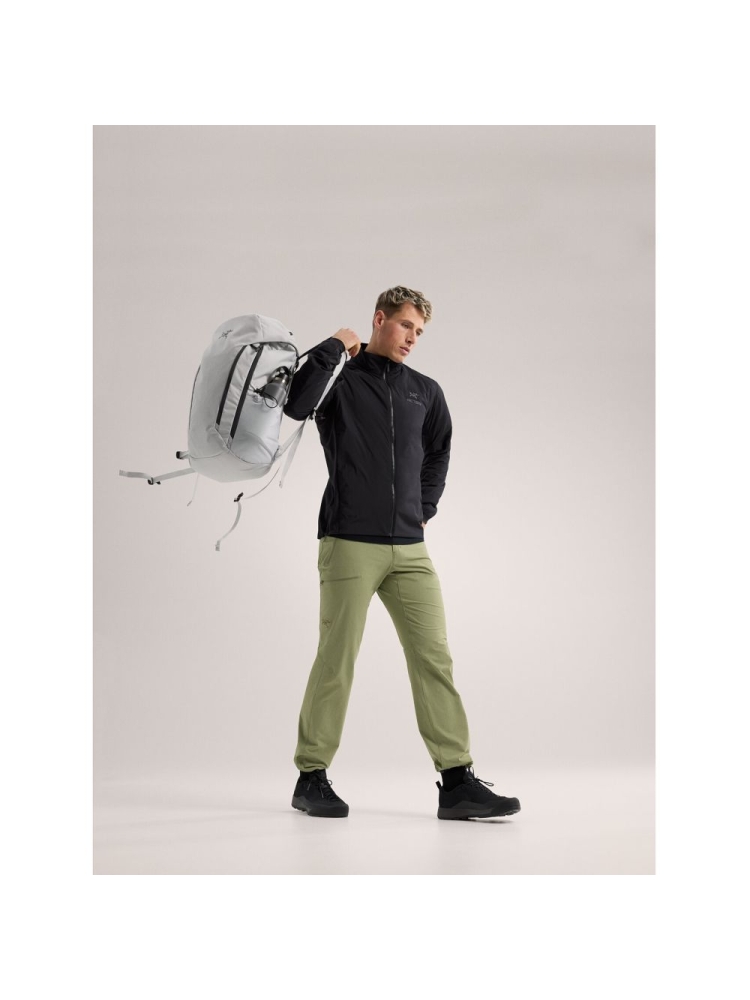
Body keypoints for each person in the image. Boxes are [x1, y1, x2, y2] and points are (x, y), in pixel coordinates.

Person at [283, 286, 520, 821]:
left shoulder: (425, 391)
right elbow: (296, 404)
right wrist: (334, 346)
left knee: (434, 657)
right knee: (337, 660)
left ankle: (456, 782)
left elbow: (439, 452)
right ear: (379, 319)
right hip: (349, 540)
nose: (412, 337)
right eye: (406, 325)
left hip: (410, 549)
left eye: (420, 331)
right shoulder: (341, 379)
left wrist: (424, 506)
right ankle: (310, 776)